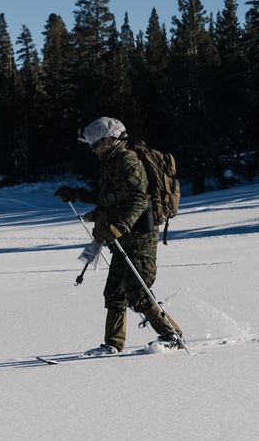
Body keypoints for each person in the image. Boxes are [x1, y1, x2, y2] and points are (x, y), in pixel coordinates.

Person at [55, 116, 184, 355]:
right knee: (114, 291)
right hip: (121, 236)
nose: (92, 149)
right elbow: (106, 197)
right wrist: (74, 193)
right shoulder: (110, 162)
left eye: (95, 144)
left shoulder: (128, 161)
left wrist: (123, 225)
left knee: (138, 291)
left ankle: (172, 335)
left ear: (109, 140)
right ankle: (113, 344)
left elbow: (139, 197)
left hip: (139, 235)